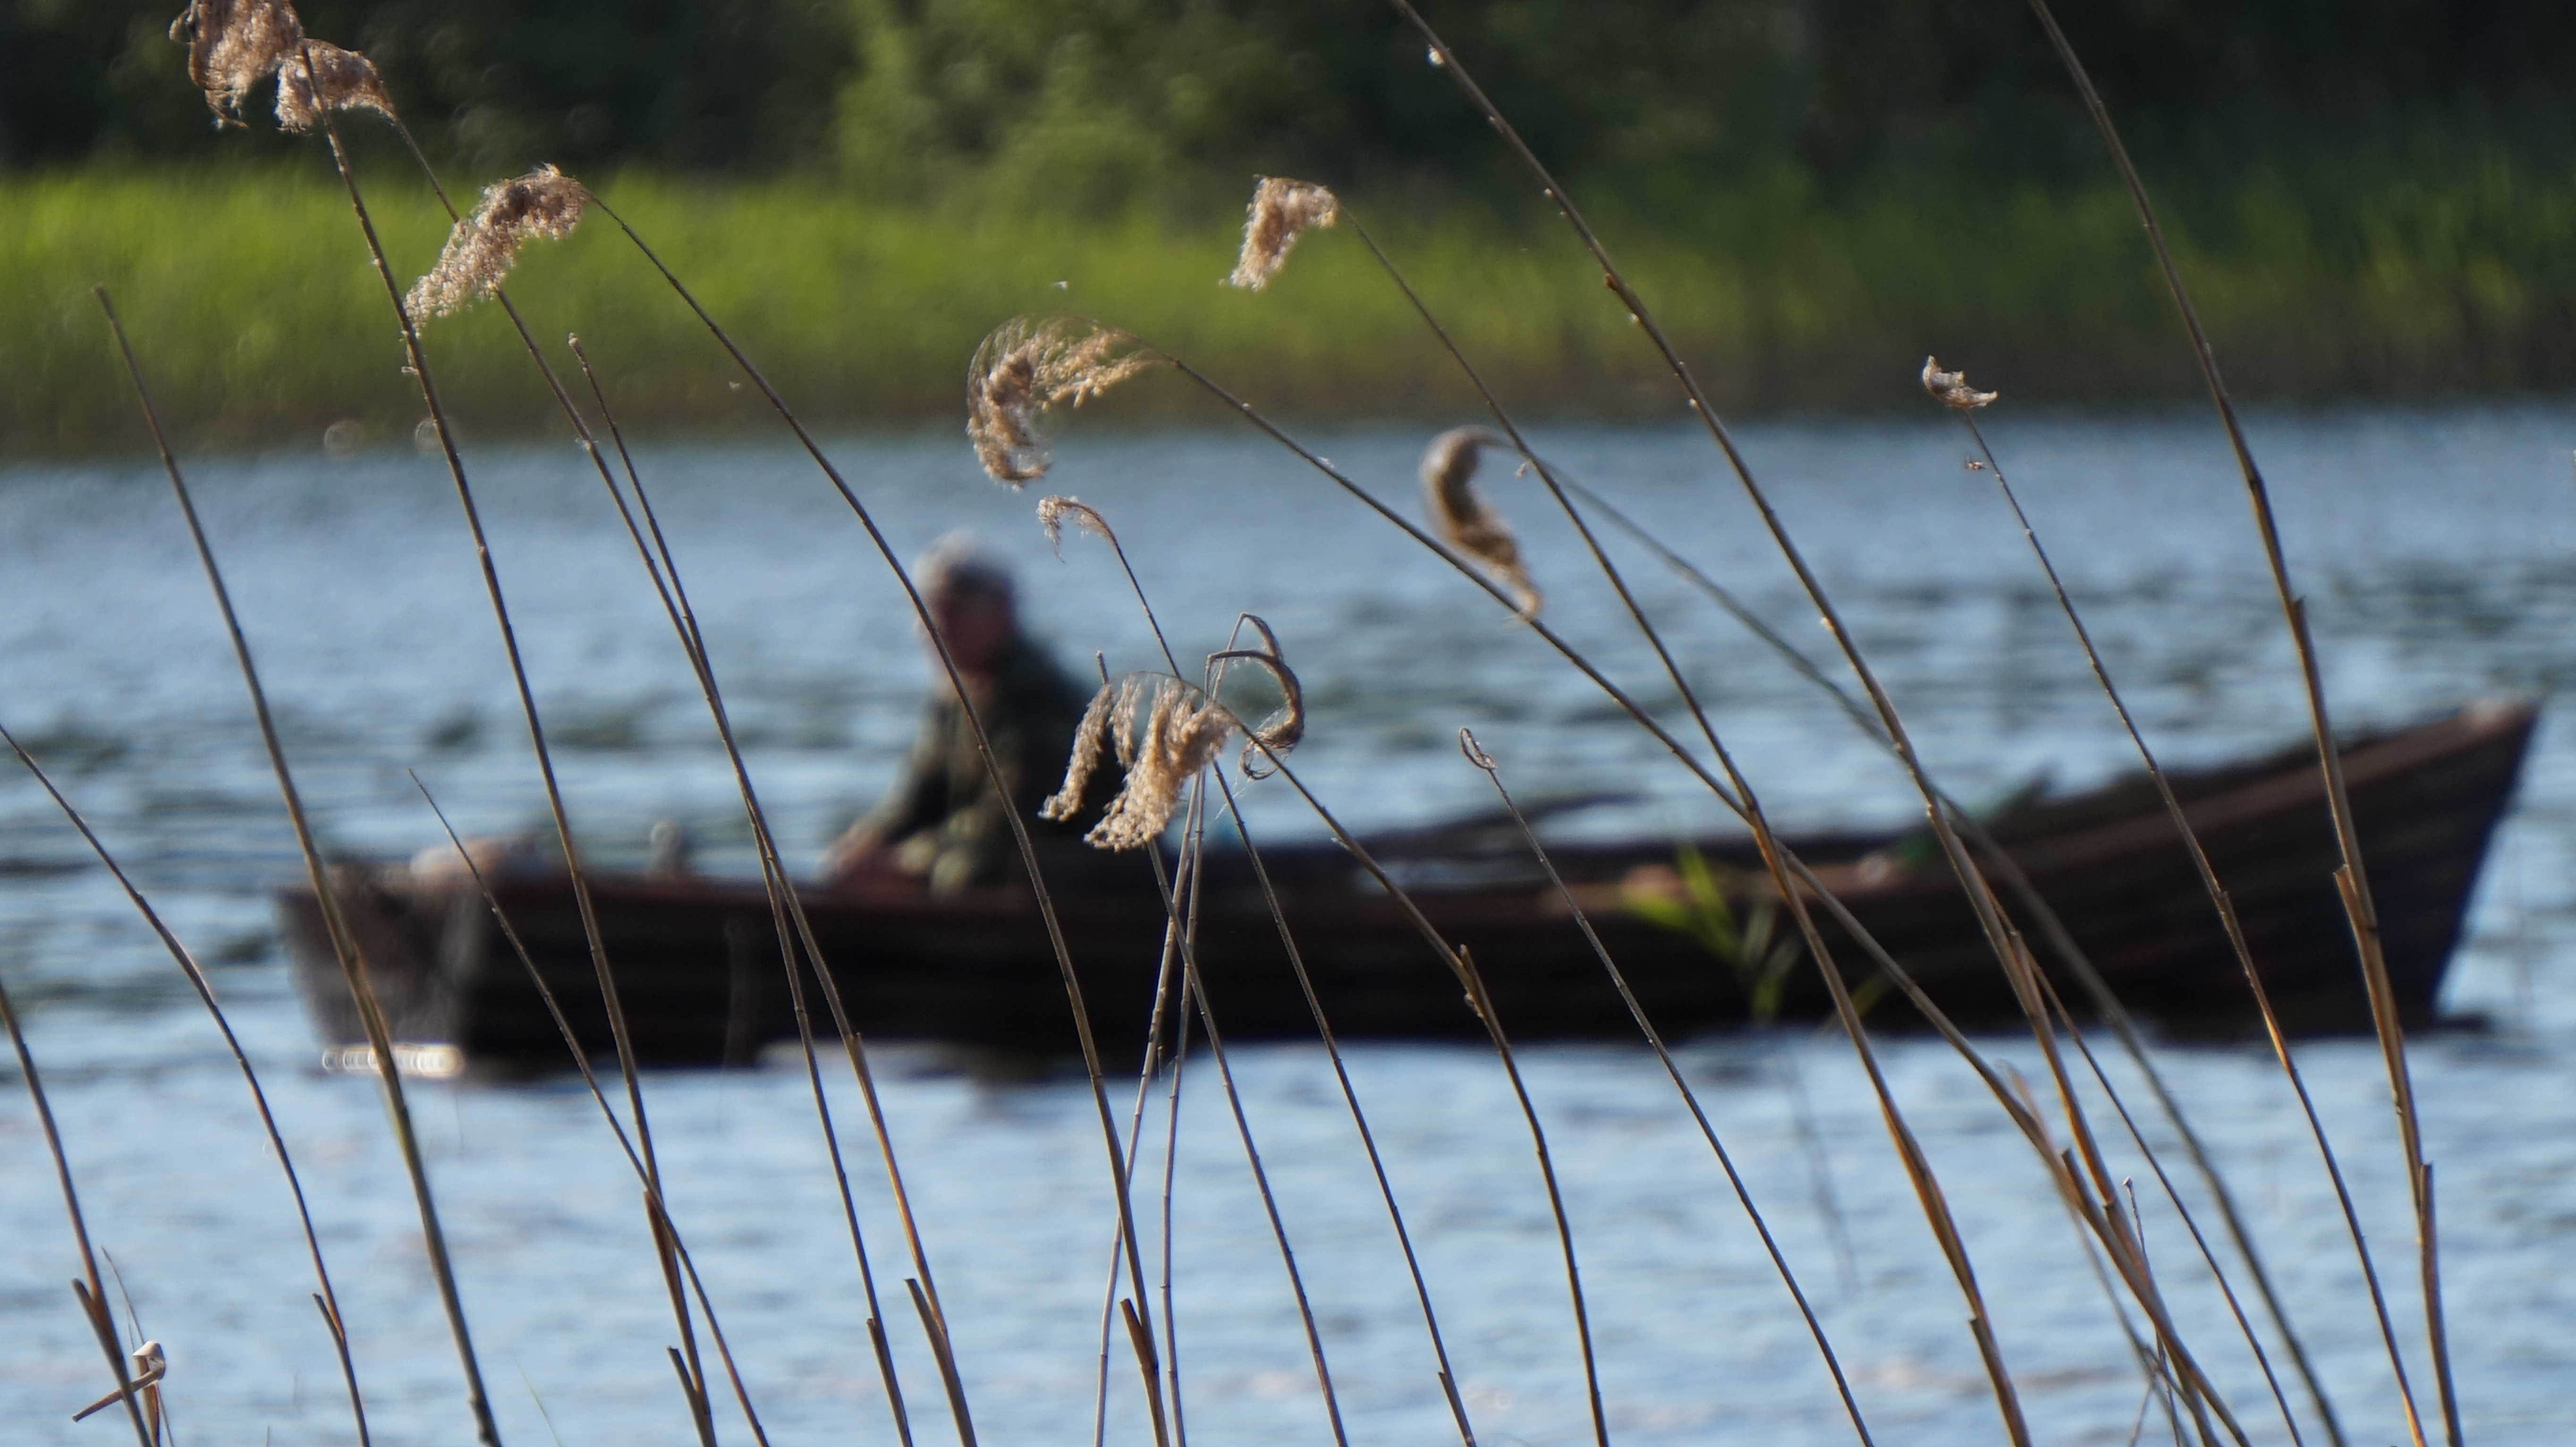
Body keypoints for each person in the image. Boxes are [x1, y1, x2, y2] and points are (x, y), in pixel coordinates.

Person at [823, 536, 1107, 893]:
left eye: (953, 611)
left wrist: (908, 861)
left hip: (1076, 868)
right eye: (929, 613)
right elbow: (921, 796)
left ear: (1002, 613)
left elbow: (1010, 820)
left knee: (963, 874)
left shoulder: (1034, 697)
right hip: (1002, 856)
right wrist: (870, 842)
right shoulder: (957, 695)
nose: (936, 628)